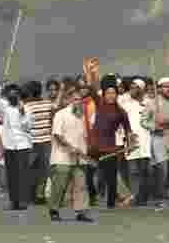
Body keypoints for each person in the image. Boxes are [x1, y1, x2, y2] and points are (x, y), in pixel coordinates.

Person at [47, 88, 95, 223]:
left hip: (79, 158)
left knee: (81, 185)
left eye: (79, 99)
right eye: (74, 99)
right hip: (61, 157)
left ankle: (81, 212)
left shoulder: (82, 116)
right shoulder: (60, 114)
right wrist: (69, 147)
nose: (77, 102)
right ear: (68, 100)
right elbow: (57, 135)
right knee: (59, 185)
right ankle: (54, 210)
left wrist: (85, 153)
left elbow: (84, 137)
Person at [0, 83, 34, 211]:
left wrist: (22, 112)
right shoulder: (4, 108)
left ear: (20, 96)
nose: (13, 95)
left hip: (23, 146)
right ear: (8, 96)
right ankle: (14, 202)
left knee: (23, 175)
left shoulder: (27, 108)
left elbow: (27, 127)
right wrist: (1, 86)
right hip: (9, 146)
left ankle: (23, 202)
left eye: (15, 93)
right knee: (12, 175)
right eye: (10, 93)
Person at [89, 79, 132, 209]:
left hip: (110, 148)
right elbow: (92, 90)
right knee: (87, 175)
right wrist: (90, 75)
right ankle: (92, 197)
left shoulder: (121, 112)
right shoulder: (99, 103)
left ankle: (111, 205)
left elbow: (128, 130)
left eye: (113, 93)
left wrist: (130, 144)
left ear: (116, 94)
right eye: (108, 93)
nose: (111, 95)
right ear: (104, 94)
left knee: (111, 178)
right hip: (94, 147)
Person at [142, 77, 169, 207]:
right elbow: (143, 121)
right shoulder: (151, 103)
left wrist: (168, 122)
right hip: (158, 138)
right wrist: (154, 127)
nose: (168, 89)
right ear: (159, 88)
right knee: (162, 167)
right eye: (165, 87)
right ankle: (160, 198)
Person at [22, 81, 56, 206]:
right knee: (44, 170)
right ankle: (39, 194)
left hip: (31, 143)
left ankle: (31, 194)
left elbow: (24, 125)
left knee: (31, 169)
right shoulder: (49, 104)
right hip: (46, 141)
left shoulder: (26, 106)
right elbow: (53, 121)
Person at [120, 79, 152, 206]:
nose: (132, 89)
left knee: (145, 170)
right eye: (131, 87)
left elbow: (154, 120)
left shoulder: (149, 103)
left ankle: (143, 197)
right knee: (133, 171)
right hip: (130, 141)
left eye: (135, 87)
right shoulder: (125, 104)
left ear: (141, 89)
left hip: (145, 141)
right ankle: (134, 197)